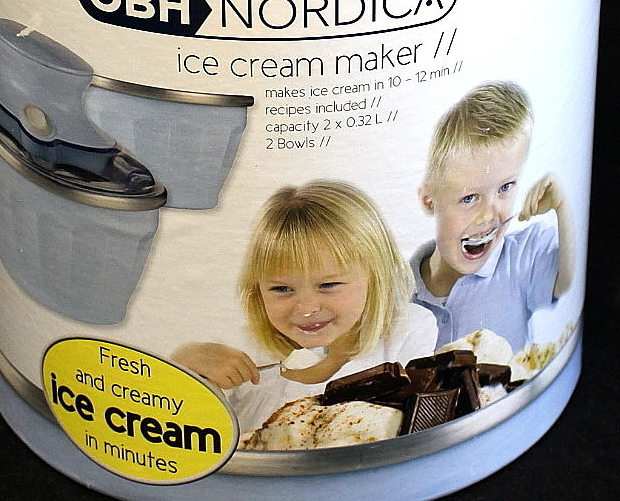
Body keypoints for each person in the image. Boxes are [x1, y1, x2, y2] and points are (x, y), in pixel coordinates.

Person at [173, 180, 436, 436]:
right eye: (282, 289)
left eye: (328, 285)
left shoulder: (405, 331)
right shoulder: (245, 349)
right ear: (257, 291)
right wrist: (183, 369)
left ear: (376, 277)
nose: (307, 309)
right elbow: (183, 429)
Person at [411, 81, 575, 351]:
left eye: (505, 188)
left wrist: (563, 206)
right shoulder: (398, 290)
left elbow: (567, 282)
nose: (489, 215)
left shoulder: (522, 257)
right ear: (429, 200)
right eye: (469, 198)